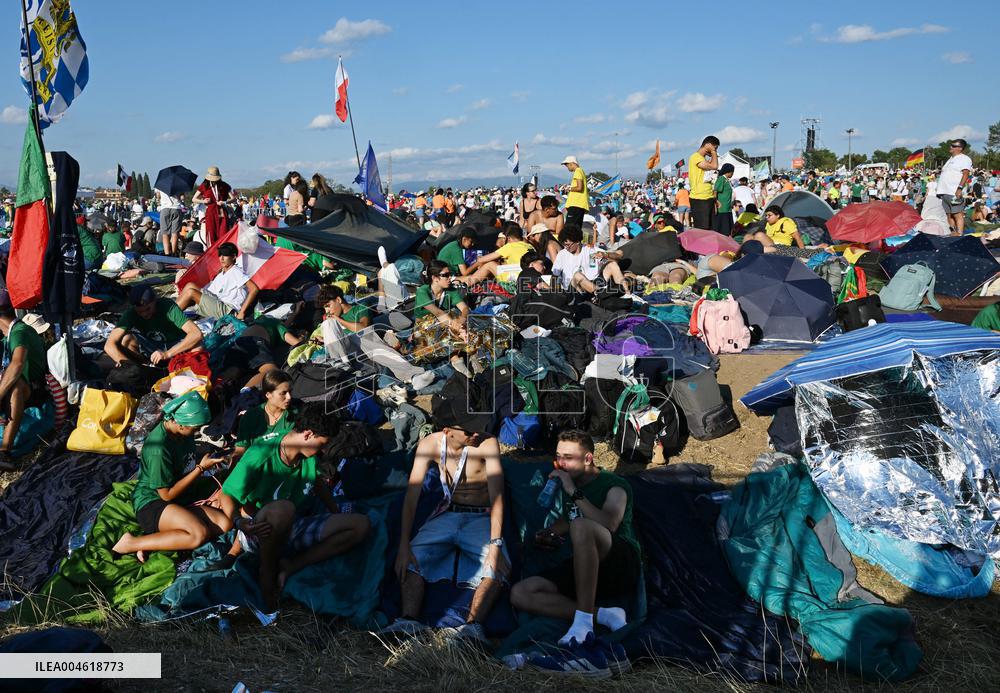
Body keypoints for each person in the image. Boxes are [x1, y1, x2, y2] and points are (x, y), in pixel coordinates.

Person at [222, 403, 371, 614]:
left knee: (360, 525)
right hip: (258, 530)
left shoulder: (306, 455)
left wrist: (334, 511)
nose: (323, 451)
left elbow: (316, 481)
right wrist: (239, 522)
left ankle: (291, 565)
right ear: (308, 434)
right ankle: (268, 573)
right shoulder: (261, 453)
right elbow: (226, 494)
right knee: (283, 509)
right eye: (321, 445)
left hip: (293, 525)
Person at [383, 407, 506, 642]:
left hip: (481, 516)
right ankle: (408, 621)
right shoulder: (430, 444)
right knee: (412, 558)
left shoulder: (487, 443)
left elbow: (497, 496)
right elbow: (412, 494)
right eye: (468, 430)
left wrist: (495, 545)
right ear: (447, 431)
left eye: (478, 426)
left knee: (495, 567)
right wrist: (404, 543)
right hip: (448, 513)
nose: (475, 433)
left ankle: (473, 627)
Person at [510, 430, 640, 648]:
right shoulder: (572, 483)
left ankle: (583, 624)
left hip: (619, 564)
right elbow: (569, 519)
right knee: (521, 593)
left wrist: (572, 491)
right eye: (559, 456)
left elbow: (609, 524)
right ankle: (603, 615)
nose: (561, 463)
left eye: (568, 458)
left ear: (588, 458)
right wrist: (551, 532)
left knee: (582, 526)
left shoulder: (614, 485)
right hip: (585, 567)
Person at [112, 391, 235, 562]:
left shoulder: (182, 434)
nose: (197, 431)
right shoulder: (159, 449)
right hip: (153, 503)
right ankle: (132, 543)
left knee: (225, 525)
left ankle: (159, 540)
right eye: (195, 428)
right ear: (180, 424)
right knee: (198, 534)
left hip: (180, 498)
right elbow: (166, 495)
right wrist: (200, 468)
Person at [0, 290, 49, 469]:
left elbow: (17, 365)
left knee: (16, 386)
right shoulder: (9, 334)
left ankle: (4, 450)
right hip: (18, 386)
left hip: (34, 389)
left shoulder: (20, 332)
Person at [105, 286, 204, 366]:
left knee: (198, 347)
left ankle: (181, 366)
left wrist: (167, 354)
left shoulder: (167, 306)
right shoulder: (130, 314)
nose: (144, 314)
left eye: (148, 309)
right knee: (126, 340)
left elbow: (196, 334)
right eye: (140, 311)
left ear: (155, 301)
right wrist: (125, 364)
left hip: (176, 344)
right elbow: (109, 345)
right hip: (153, 345)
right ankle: (147, 366)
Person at [176, 242, 259, 320]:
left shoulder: (236, 271)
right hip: (218, 302)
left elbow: (254, 289)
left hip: (227, 310)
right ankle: (172, 309)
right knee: (190, 285)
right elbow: (210, 292)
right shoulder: (222, 274)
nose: (221, 258)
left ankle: (171, 315)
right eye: (220, 255)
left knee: (191, 292)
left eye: (225, 255)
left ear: (233, 257)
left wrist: (242, 312)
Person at [553, 225, 626, 295]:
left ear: (578, 241)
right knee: (577, 275)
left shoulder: (590, 250)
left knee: (612, 265)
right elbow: (555, 276)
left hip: (593, 282)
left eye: (568, 245)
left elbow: (620, 254)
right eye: (564, 245)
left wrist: (605, 255)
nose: (566, 248)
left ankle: (627, 293)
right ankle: (600, 294)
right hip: (574, 288)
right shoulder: (562, 254)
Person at [457, 224, 533, 285]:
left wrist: (480, 258)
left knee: (489, 265)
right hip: (527, 277)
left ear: (509, 238)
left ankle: (466, 284)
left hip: (515, 279)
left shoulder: (510, 246)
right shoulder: (529, 246)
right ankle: (463, 280)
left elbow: (483, 259)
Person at [191, 166, 235, 246]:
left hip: (222, 212)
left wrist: (224, 202)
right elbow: (194, 199)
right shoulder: (204, 185)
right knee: (212, 234)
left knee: (223, 234)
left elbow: (233, 199)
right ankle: (213, 253)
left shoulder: (224, 185)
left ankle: (222, 252)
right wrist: (203, 201)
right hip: (210, 212)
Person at [938, 139, 973, 235]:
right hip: (945, 192)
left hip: (954, 191)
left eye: (953, 146)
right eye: (951, 145)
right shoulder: (951, 159)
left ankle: (960, 234)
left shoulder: (964, 158)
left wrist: (959, 188)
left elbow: (966, 174)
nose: (951, 147)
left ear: (960, 148)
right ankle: (952, 233)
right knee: (949, 215)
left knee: (957, 214)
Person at [688, 135, 720, 229]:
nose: (715, 151)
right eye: (715, 148)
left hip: (708, 197)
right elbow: (714, 166)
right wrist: (713, 151)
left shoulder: (703, 159)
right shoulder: (695, 157)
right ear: (708, 145)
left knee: (711, 228)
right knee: (703, 230)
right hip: (699, 199)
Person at [561, 156, 589, 228]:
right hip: (579, 205)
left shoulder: (578, 171)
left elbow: (579, 187)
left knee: (569, 228)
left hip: (576, 204)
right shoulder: (581, 171)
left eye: (567, 165)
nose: (567, 168)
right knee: (576, 229)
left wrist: (569, 188)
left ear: (571, 163)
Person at [156, 188, 184, 256]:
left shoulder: (160, 184)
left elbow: (158, 196)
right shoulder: (178, 184)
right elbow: (182, 197)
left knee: (165, 233)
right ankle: (174, 253)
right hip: (176, 208)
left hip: (165, 208)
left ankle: (167, 253)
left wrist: (160, 199)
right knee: (175, 232)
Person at [713, 163, 736, 237]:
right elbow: (715, 191)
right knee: (723, 230)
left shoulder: (727, 180)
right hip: (722, 209)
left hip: (727, 208)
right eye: (732, 172)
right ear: (729, 171)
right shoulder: (721, 179)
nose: (733, 173)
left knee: (728, 230)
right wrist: (716, 203)